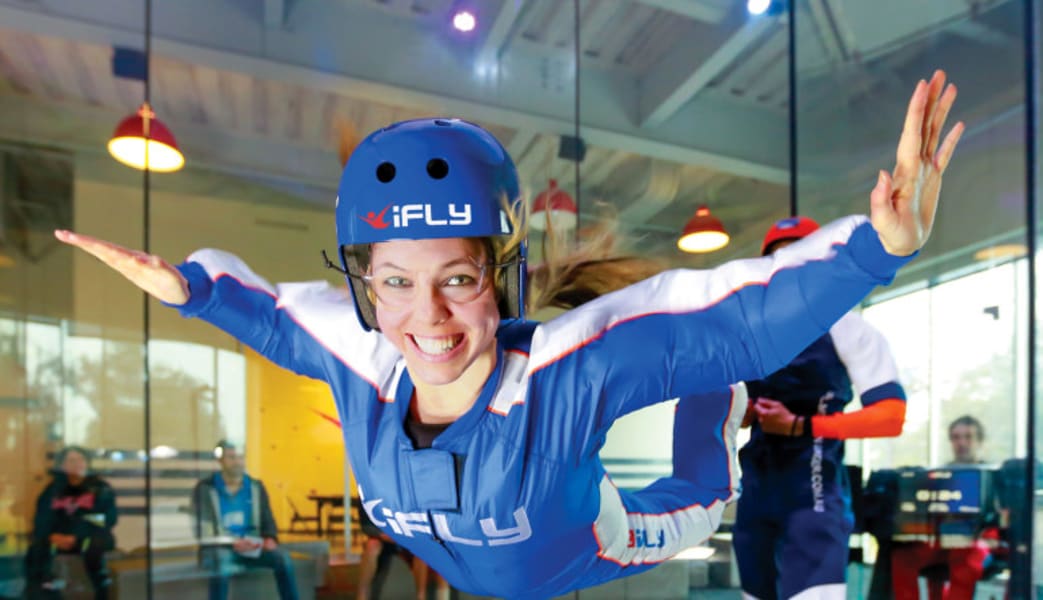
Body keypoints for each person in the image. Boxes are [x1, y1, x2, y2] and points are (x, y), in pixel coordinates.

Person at [54, 71, 963, 599]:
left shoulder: (564, 373)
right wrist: (189, 288)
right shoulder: (361, 356)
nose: (429, 319)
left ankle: (713, 412)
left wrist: (870, 252)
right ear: (364, 286)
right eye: (397, 284)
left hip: (593, 541)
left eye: (458, 279)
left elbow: (728, 317)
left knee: (707, 465)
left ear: (504, 279)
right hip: (466, 561)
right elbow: (262, 310)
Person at [725, 214, 909, 600]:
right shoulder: (752, 334)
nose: (787, 267)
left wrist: (799, 426)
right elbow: (727, 406)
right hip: (755, 496)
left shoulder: (849, 327)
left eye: (798, 255)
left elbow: (891, 416)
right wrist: (738, 414)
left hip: (814, 497)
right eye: (777, 259)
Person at [891, 416, 994, 600]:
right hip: (940, 538)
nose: (961, 442)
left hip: (974, 541)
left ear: (979, 440)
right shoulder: (941, 473)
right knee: (902, 558)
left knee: (966, 561)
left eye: (968, 437)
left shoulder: (991, 474)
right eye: (956, 437)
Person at [191, 440, 298, 600]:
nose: (237, 461)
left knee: (282, 558)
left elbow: (268, 519)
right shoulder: (205, 488)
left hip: (252, 546)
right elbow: (203, 529)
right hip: (219, 548)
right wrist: (231, 542)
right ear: (220, 461)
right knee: (222, 562)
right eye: (231, 457)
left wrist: (270, 538)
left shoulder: (255, 486)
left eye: (240, 457)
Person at [24, 446, 117, 600]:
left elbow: (106, 519)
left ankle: (99, 591)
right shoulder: (52, 490)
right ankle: (42, 590)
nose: (77, 464)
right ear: (62, 466)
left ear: (87, 463)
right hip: (57, 539)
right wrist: (52, 535)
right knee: (35, 548)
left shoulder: (101, 489)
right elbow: (42, 518)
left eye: (81, 460)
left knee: (97, 545)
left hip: (89, 538)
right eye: (71, 460)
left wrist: (77, 537)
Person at [356, 506, 449, 600]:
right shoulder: (371, 494)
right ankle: (362, 595)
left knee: (431, 549)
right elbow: (367, 526)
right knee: (372, 545)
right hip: (387, 539)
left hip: (410, 539)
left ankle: (422, 596)